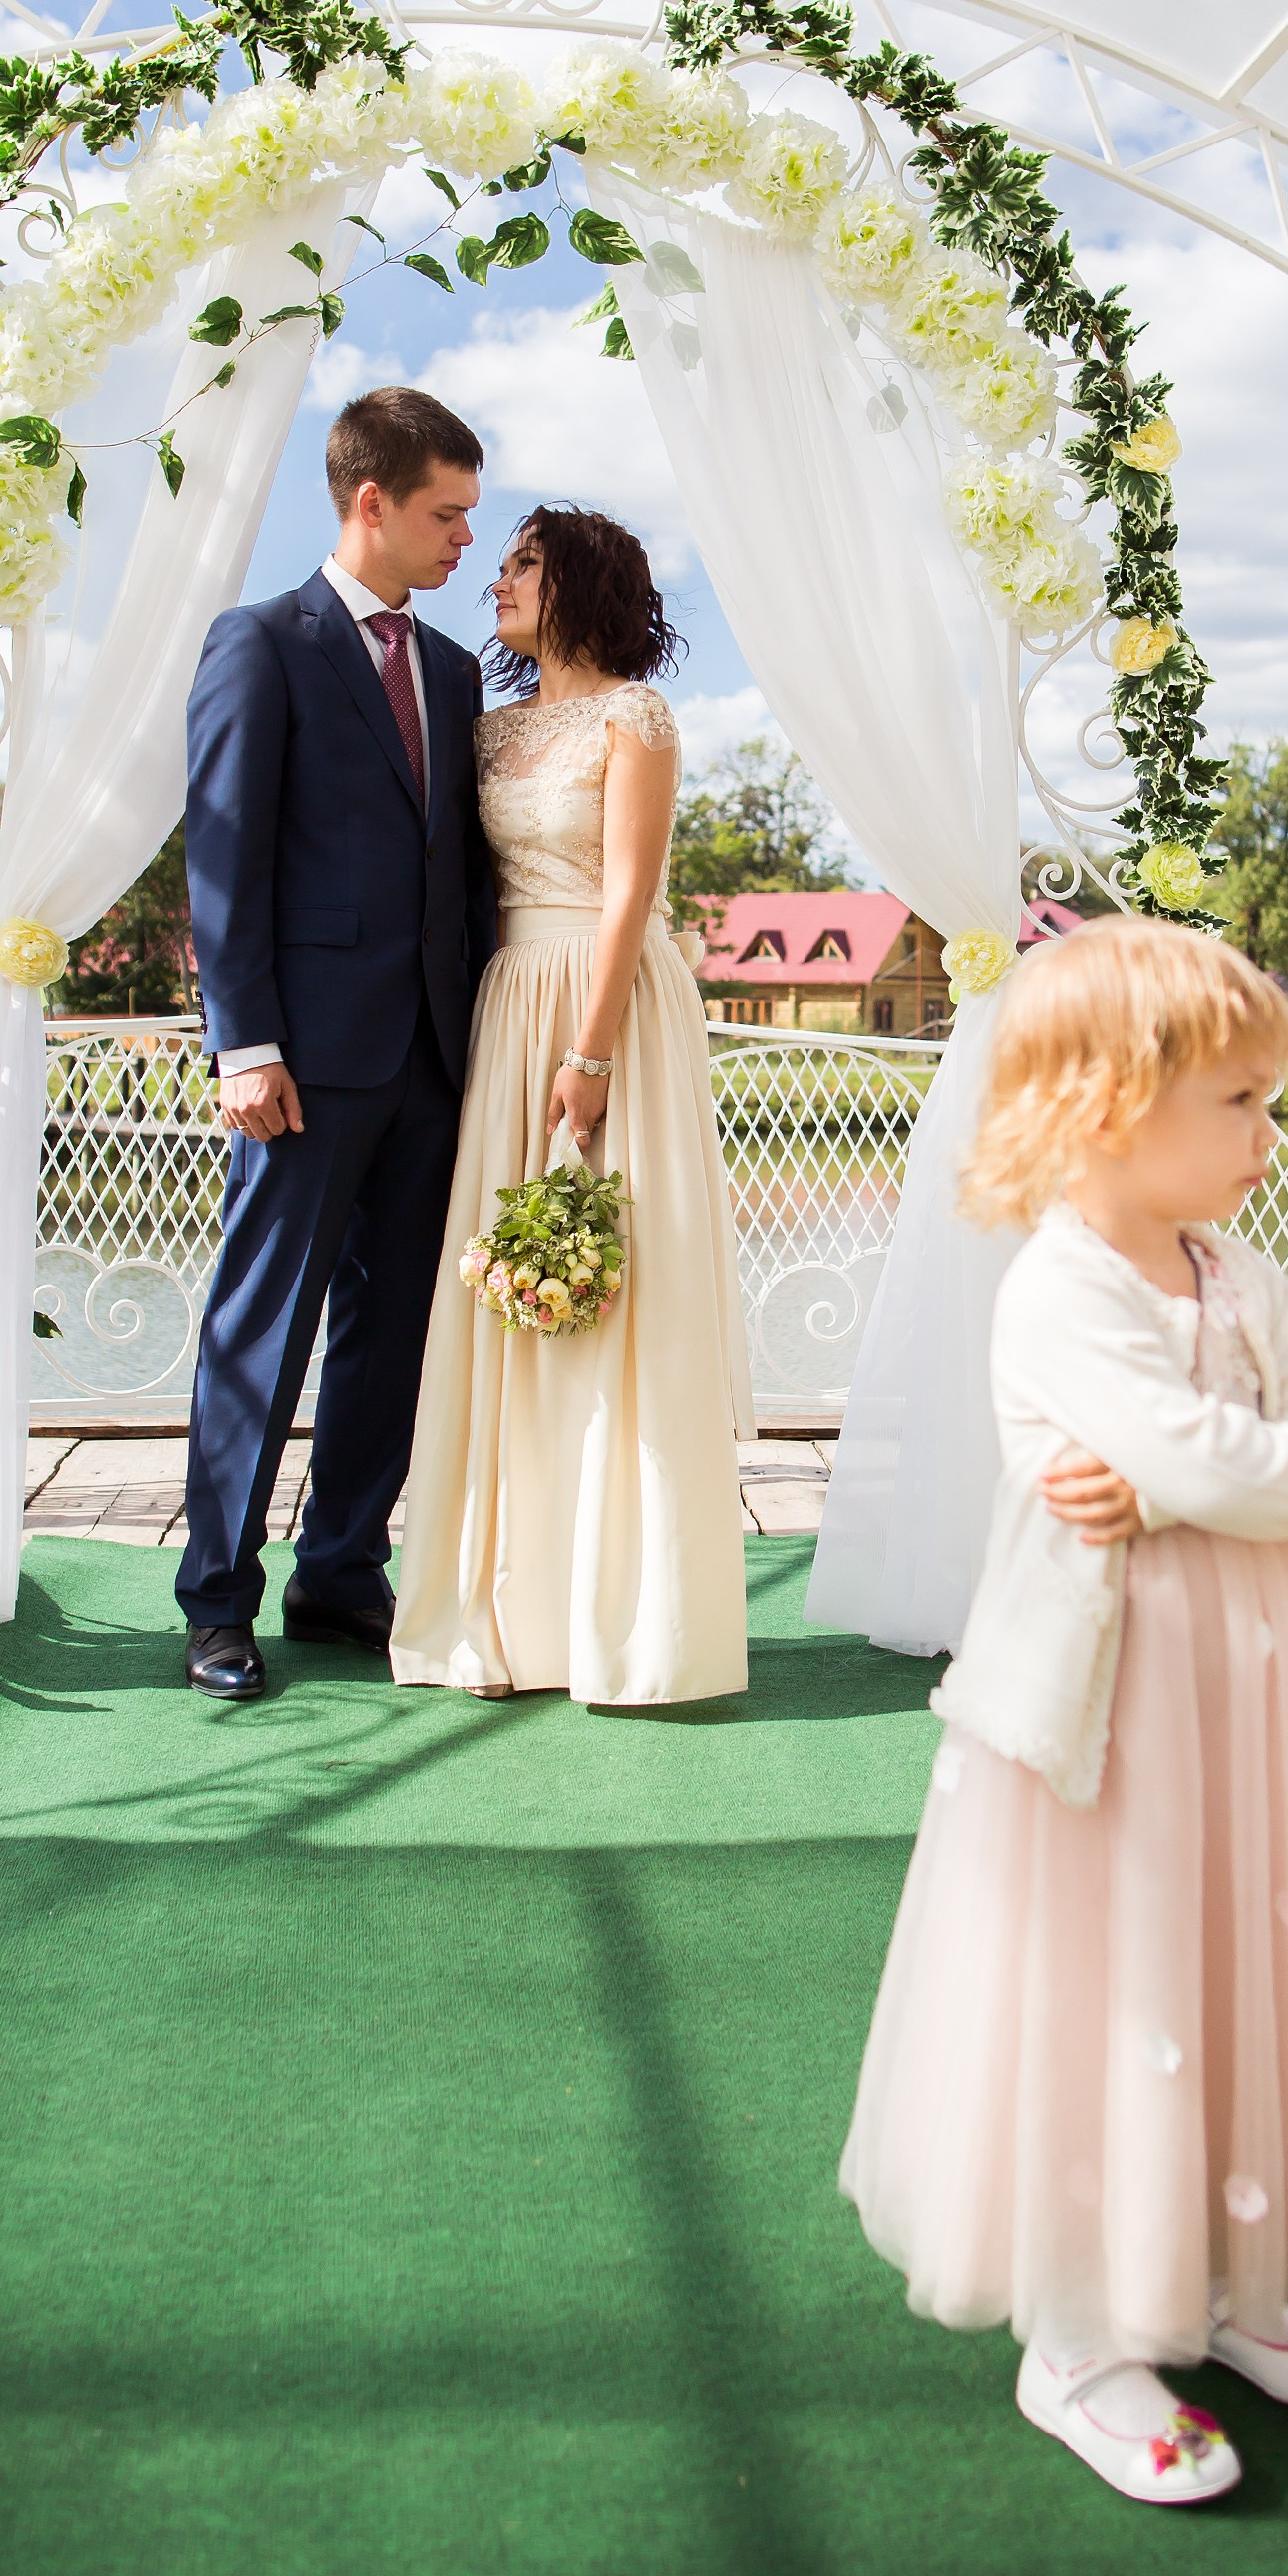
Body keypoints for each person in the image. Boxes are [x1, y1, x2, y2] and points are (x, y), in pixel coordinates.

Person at [842, 920, 1288, 2508]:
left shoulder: (1239, 1269)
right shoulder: (1058, 1287)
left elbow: (1276, 1431)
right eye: (1235, 1102)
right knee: (1126, 1973)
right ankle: (1086, 2329)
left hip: (1252, 1683)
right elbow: (1226, 1462)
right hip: (1112, 1705)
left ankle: (1222, 2279)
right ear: (1107, 1104)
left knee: (1243, 1960)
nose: (1264, 1135)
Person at [392, 505, 751, 1704]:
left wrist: (589, 1058)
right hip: (509, 1005)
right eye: (495, 560)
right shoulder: (487, 730)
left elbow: (628, 895)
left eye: (524, 562)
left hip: (609, 1007)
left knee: (616, 1287)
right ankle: (508, 1606)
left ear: (581, 581)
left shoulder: (635, 716)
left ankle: (629, 1617)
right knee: (510, 1286)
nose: (494, 577)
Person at [173, 388, 500, 1701]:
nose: (463, 539)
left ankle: (341, 1569)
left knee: (394, 1331)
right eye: (445, 514)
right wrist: (241, 1040)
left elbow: (461, 874)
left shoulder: (455, 671)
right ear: (371, 502)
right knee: (264, 1323)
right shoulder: (261, 642)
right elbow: (221, 856)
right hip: (300, 1061)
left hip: (430, 1057)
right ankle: (215, 1598)